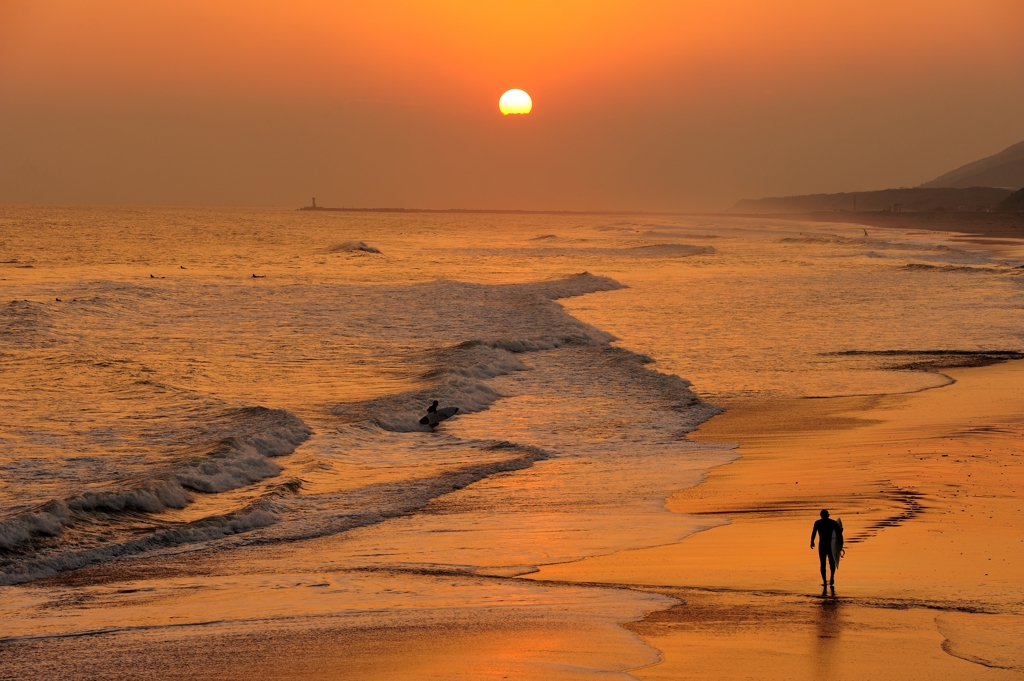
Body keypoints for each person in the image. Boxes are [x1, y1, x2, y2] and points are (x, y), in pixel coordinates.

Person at [810, 509, 841, 587]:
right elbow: (839, 534)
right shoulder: (833, 523)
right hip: (829, 545)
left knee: (823, 563)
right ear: (828, 515)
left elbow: (814, 533)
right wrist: (839, 546)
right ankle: (831, 577)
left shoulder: (818, 523)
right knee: (831, 562)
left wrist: (812, 542)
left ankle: (825, 580)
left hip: (823, 545)